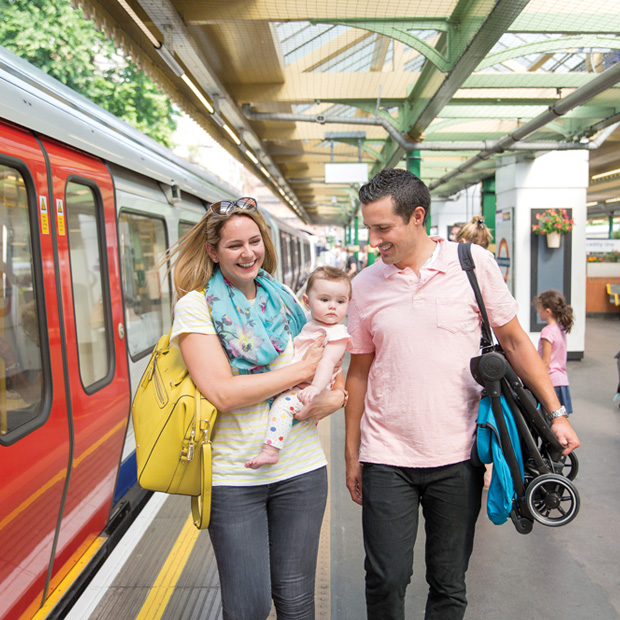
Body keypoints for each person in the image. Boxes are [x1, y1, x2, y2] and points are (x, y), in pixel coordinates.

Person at [344, 168, 580, 620]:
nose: (374, 240)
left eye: (382, 228)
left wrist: (556, 412)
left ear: (417, 217)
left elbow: (515, 343)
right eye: (370, 228)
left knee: (449, 582)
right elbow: (358, 372)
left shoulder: (473, 264)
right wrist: (353, 454)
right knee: (386, 578)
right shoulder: (365, 286)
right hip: (386, 454)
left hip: (458, 454)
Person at [167, 197, 347, 620]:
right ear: (213, 251)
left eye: (254, 241)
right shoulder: (195, 307)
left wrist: (334, 397)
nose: (248, 253)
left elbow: (328, 373)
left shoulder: (283, 297)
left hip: (301, 468)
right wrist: (300, 371)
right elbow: (224, 393)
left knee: (297, 599)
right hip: (234, 477)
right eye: (234, 246)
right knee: (247, 605)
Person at [246, 266, 351, 469]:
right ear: (307, 302)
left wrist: (316, 388)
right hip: (303, 385)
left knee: (282, 406)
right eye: (324, 300)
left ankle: (271, 450)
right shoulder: (311, 321)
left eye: (340, 301)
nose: (332, 307)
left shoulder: (337, 334)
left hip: (308, 389)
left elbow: (328, 362)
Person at [534, 290, 574, 415]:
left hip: (551, 383)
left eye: (539, 308)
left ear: (548, 311)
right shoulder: (561, 329)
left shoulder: (547, 332)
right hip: (562, 382)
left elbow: (545, 362)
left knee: (548, 425)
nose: (538, 311)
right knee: (560, 423)